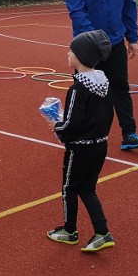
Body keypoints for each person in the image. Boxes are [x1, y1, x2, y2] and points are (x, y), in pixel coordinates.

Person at [65, 0, 138, 151]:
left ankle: (129, 133)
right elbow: (77, 11)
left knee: (120, 88)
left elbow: (129, 6)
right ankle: (79, 134)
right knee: (84, 91)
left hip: (115, 43)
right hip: (88, 47)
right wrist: (94, 40)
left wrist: (133, 37)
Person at [46, 30, 116, 253]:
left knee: (69, 187)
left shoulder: (77, 88)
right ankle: (102, 232)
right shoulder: (104, 84)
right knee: (88, 188)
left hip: (79, 149)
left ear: (81, 56)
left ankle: (69, 230)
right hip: (100, 144)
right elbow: (106, 117)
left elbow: (71, 124)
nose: (68, 53)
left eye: (72, 51)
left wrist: (58, 127)